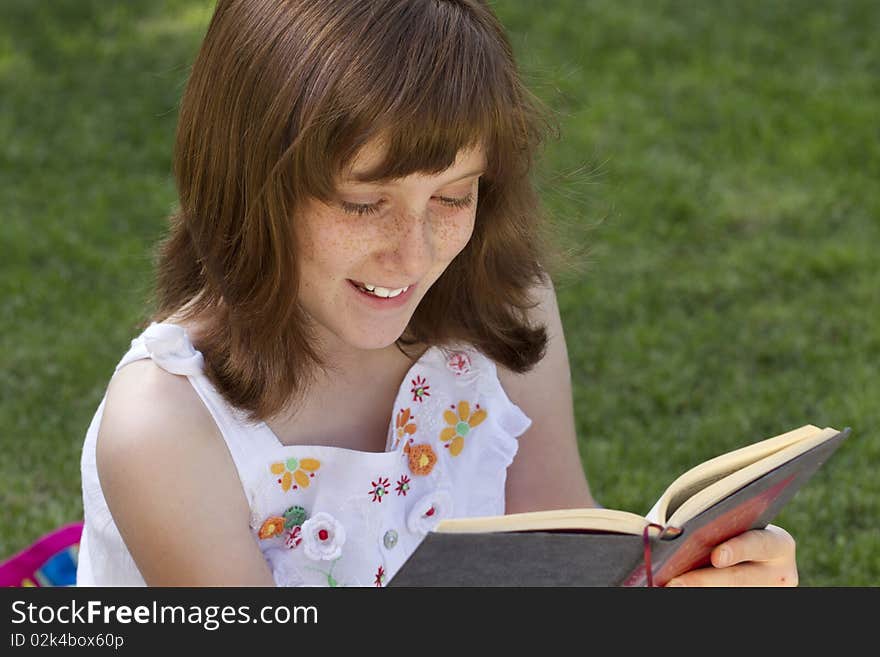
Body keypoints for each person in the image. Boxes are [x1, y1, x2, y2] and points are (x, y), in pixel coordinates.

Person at [77, 0, 798, 587]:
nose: (414, 255)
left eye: (453, 196)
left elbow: (565, 564)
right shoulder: (165, 428)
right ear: (248, 187)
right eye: (363, 204)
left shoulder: (502, 307)